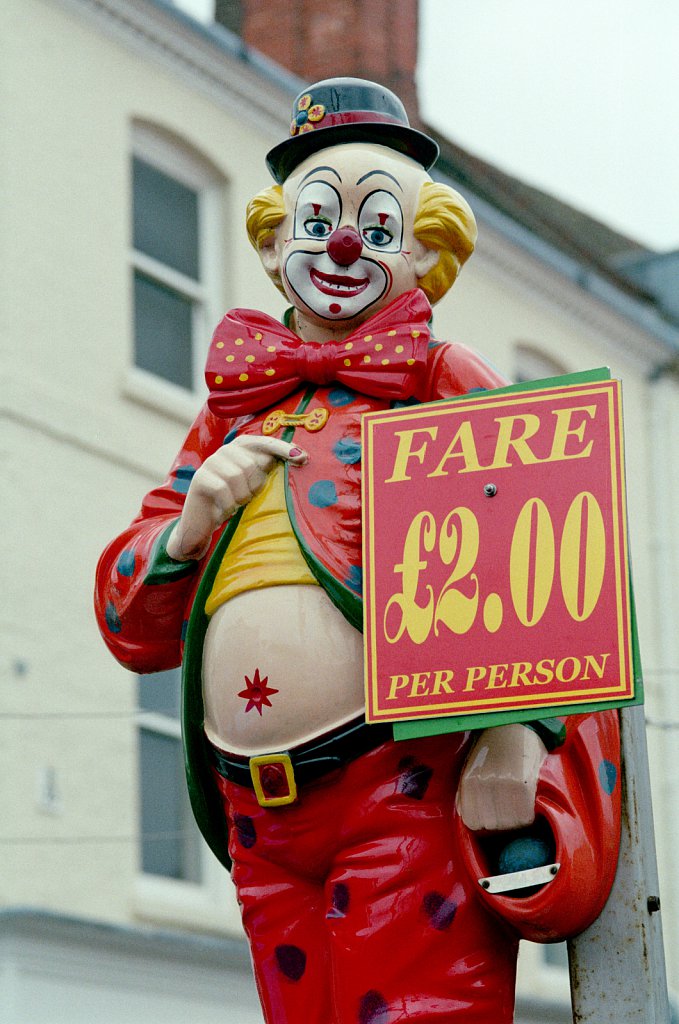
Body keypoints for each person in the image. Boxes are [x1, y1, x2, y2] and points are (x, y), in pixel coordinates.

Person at [95, 78, 620, 1024]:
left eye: (378, 230)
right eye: (320, 221)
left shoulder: (437, 379)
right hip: (255, 816)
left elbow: (552, 559)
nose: (343, 246)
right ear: (271, 240)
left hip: (398, 782)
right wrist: (190, 523)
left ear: (424, 252)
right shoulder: (229, 414)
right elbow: (131, 623)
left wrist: (513, 734)